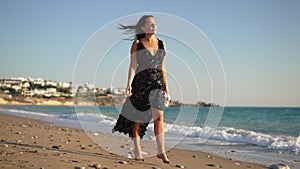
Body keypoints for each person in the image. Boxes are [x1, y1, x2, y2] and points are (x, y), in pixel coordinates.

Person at [112, 15, 170, 164]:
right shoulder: (137, 44)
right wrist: (129, 84)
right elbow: (132, 66)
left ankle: (161, 150)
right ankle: (137, 150)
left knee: (159, 117)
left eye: (154, 23)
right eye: (150, 24)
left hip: (157, 84)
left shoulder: (162, 44)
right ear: (143, 27)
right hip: (140, 84)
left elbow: (163, 68)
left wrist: (166, 87)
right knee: (138, 118)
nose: (153, 26)